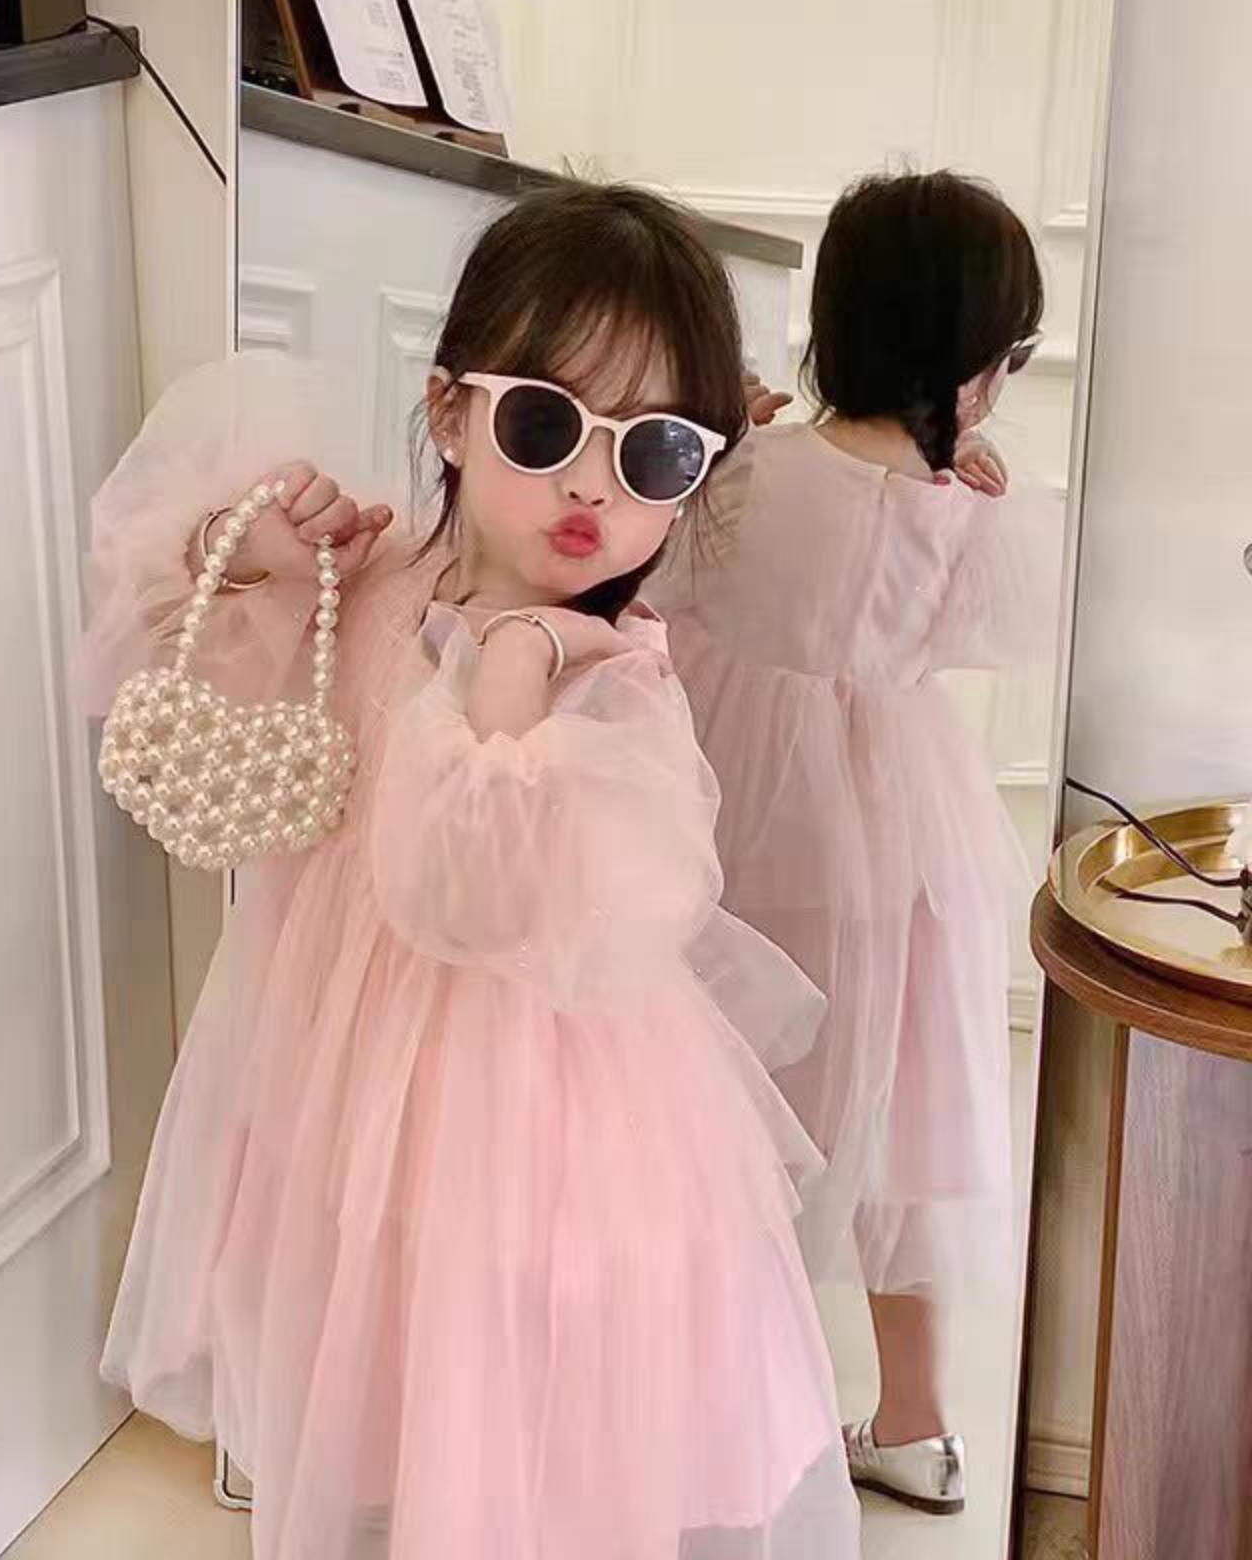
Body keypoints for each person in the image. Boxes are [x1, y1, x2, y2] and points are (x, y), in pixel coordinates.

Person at [79, 181, 860, 1558]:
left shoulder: (618, 684)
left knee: (507, 1425)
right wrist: (249, 555)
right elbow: (171, 645)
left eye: (655, 452)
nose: (590, 486)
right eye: (545, 424)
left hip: (539, 1129)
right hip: (343, 1069)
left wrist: (515, 662)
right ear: (448, 412)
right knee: (373, 1373)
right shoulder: (376, 583)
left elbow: (479, 894)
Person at [658, 169, 1058, 1516]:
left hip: (737, 815)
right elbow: (975, 634)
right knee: (902, 1116)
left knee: (738, 1110)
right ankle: (920, 1427)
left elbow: (661, 584)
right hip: (900, 838)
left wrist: (721, 439)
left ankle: (726, 1427)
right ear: (972, 359)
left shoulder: (744, 471)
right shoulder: (965, 500)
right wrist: (964, 488)